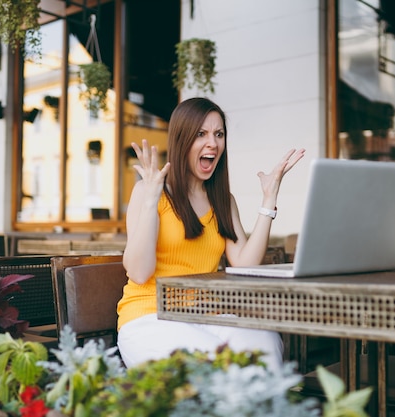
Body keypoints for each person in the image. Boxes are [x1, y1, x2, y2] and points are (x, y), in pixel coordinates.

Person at [116, 97, 305, 371]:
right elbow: (139, 272)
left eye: (219, 134)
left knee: (265, 344)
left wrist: (268, 200)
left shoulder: (223, 200)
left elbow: (245, 264)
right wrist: (150, 200)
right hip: (149, 316)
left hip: (207, 315)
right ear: (182, 140)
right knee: (218, 365)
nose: (213, 143)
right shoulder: (149, 191)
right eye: (201, 134)